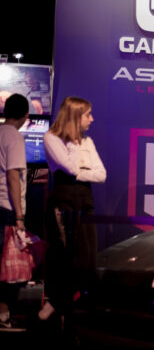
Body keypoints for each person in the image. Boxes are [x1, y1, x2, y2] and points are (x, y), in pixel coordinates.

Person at [38, 97, 106, 323]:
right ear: (76, 116)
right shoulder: (51, 137)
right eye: (88, 115)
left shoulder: (87, 141)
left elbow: (101, 175)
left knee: (87, 259)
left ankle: (58, 304)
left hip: (85, 201)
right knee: (65, 256)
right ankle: (59, 309)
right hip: (63, 201)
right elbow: (68, 168)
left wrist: (80, 170)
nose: (92, 119)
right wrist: (84, 170)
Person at [0, 94, 29, 331]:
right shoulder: (14, 136)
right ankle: (3, 316)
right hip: (6, 208)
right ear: (26, 116)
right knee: (7, 269)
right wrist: (19, 216)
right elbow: (13, 175)